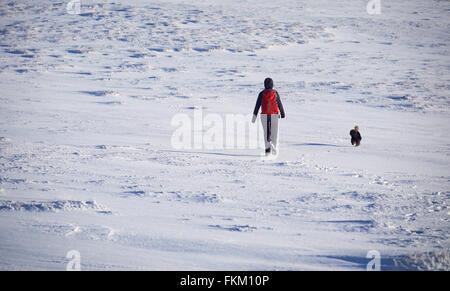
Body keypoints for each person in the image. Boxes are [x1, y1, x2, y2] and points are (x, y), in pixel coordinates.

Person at [252, 78, 285, 155]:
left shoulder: (261, 93)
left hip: (264, 115)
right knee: (274, 132)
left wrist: (254, 118)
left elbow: (257, 106)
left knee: (266, 133)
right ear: (272, 84)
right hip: (274, 115)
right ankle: (273, 148)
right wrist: (282, 113)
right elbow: (279, 103)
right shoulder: (275, 93)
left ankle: (267, 150)